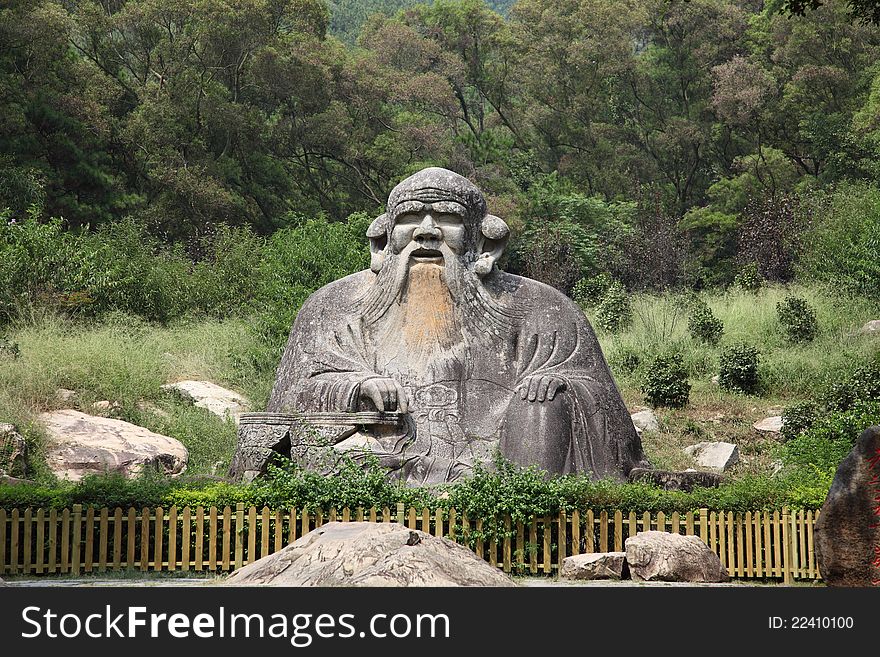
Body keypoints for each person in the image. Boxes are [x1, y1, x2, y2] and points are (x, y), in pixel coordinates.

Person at [262, 167, 647, 485]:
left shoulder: (544, 309)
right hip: (379, 462)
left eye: (447, 218)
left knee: (543, 402)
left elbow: (607, 410)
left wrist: (558, 386)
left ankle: (525, 515)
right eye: (411, 218)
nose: (426, 231)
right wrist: (355, 387)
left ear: (483, 242)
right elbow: (289, 399)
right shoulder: (333, 306)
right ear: (383, 240)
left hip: (492, 473)